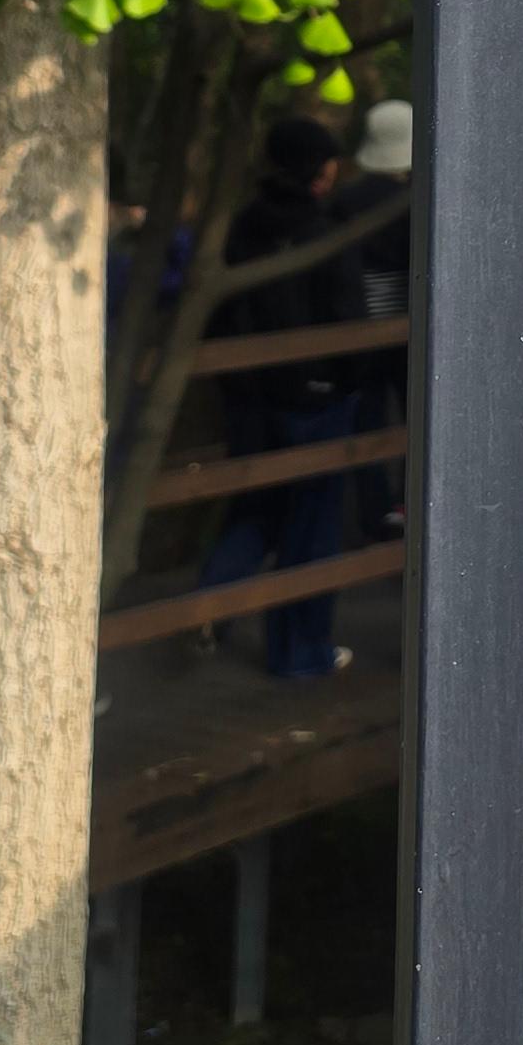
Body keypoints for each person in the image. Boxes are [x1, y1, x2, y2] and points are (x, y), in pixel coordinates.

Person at [198, 113, 367, 677]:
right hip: (314, 397)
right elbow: (346, 314)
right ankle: (300, 653)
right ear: (320, 170)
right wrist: (347, 379)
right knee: (311, 526)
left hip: (249, 396)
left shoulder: (240, 226)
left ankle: (204, 609)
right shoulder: (324, 230)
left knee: (258, 506)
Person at [345, 97, 413, 541]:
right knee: (416, 416)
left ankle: (374, 512)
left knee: (366, 418)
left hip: (358, 327)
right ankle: (409, 504)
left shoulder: (346, 201)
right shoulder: (417, 201)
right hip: (407, 328)